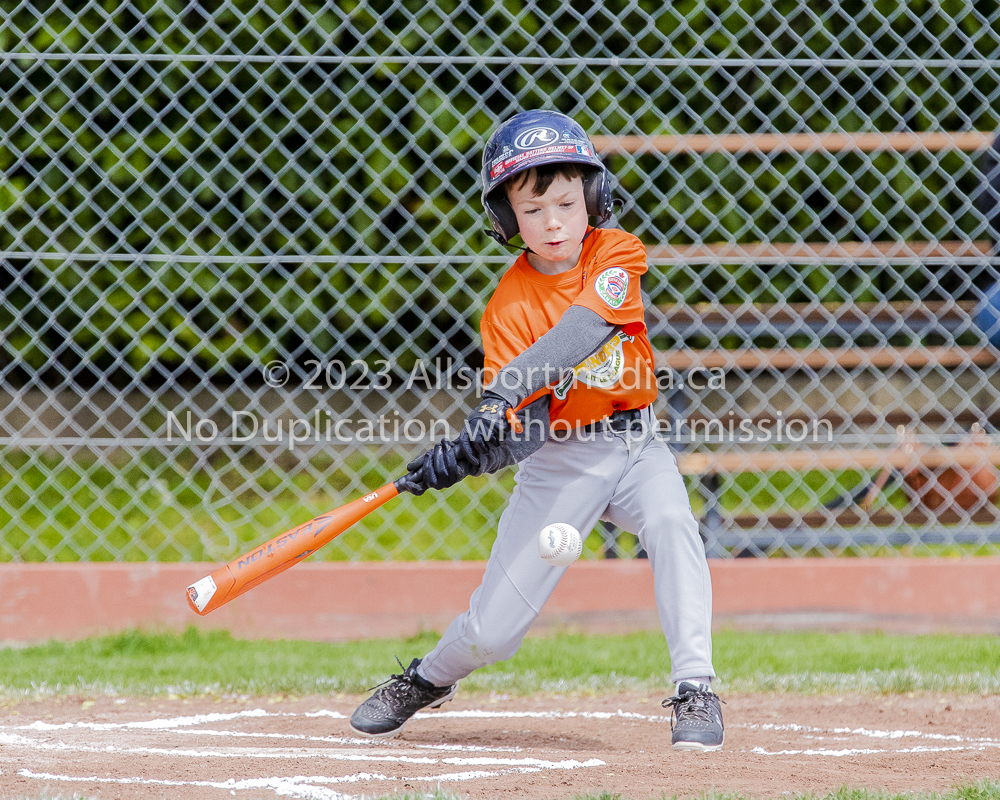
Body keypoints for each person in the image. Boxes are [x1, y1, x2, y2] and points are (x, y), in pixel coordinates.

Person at [349, 110, 724, 752]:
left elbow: (581, 334)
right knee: (494, 632)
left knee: (671, 525)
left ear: (595, 201)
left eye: (567, 202)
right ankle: (428, 678)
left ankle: (696, 685)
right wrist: (470, 452)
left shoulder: (615, 254)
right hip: (558, 465)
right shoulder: (507, 307)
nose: (553, 222)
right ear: (506, 220)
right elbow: (527, 431)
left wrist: (498, 396)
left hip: (635, 446)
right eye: (532, 208)